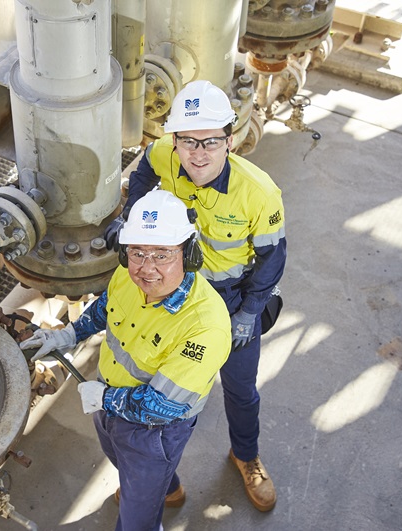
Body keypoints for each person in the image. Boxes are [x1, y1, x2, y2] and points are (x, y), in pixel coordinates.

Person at [104, 80, 286, 512]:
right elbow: (144, 172)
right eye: (188, 141)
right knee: (160, 395)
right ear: (175, 140)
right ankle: (161, 482)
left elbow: (272, 261)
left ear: (230, 138)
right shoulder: (161, 155)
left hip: (231, 299)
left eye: (210, 142)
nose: (198, 154)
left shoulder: (258, 194)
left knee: (240, 389)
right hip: (174, 298)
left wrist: (250, 313)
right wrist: (132, 221)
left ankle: (246, 456)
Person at [21, 190, 231, 531]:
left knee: (136, 522)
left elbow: (163, 407)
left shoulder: (205, 328)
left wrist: (104, 398)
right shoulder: (129, 277)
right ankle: (168, 488)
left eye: (162, 254)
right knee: (121, 461)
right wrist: (68, 335)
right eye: (137, 252)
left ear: (189, 254)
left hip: (153, 432)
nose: (147, 268)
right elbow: (105, 308)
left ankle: (151, 501)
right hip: (108, 405)